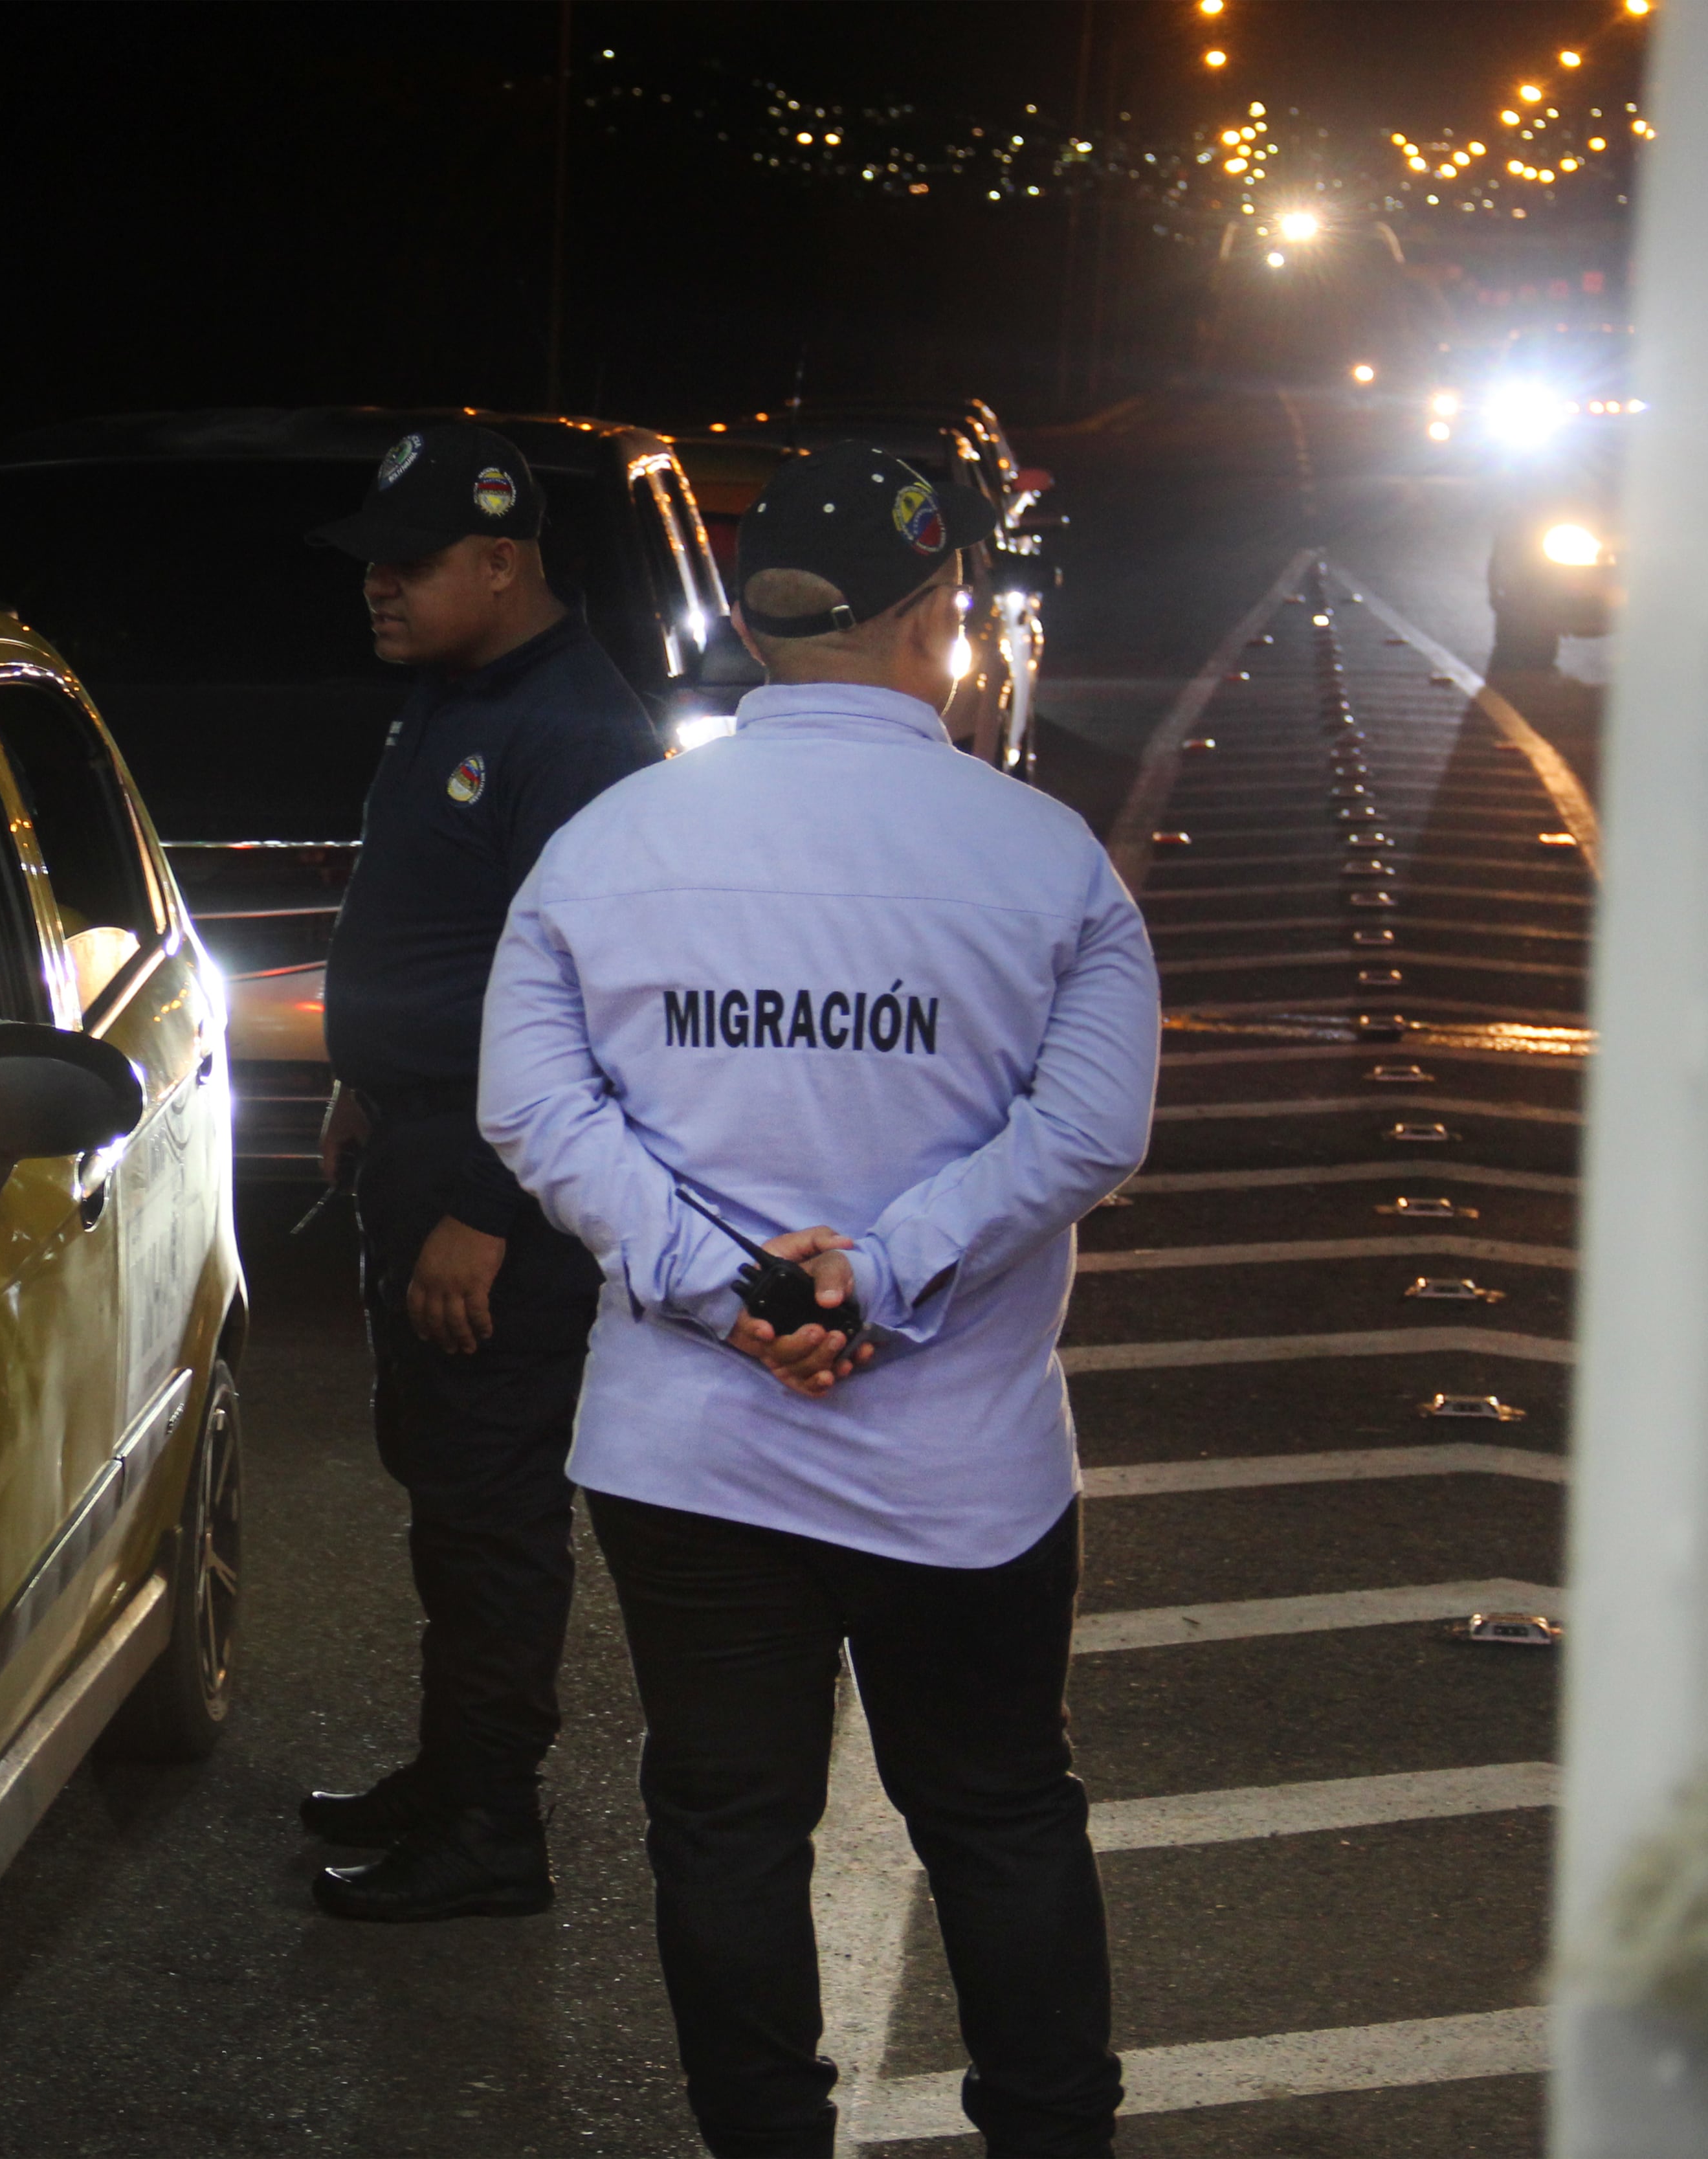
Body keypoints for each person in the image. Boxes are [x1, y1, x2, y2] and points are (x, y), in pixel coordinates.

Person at [477, 440, 1158, 2158]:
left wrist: (727, 1287)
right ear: (937, 616)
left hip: (690, 1444)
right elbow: (1090, 1127)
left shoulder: (602, 846)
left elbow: (535, 1110)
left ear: (754, 621)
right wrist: (891, 1262)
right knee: (1000, 1812)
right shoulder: (1047, 860)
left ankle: (767, 2137)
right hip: (961, 1452)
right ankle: (1053, 2135)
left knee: (723, 1817)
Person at [297, 419, 658, 1923]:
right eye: (373, 560)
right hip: (426, 1126)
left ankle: (493, 1829)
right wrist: (364, 1087)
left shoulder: (571, 732)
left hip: (490, 1167)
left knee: (493, 1506)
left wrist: (486, 1209)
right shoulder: (464, 691)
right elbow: (446, 936)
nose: (376, 585)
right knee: (447, 1488)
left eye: (410, 561)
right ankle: (452, 1777)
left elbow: (592, 998)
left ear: (501, 561)